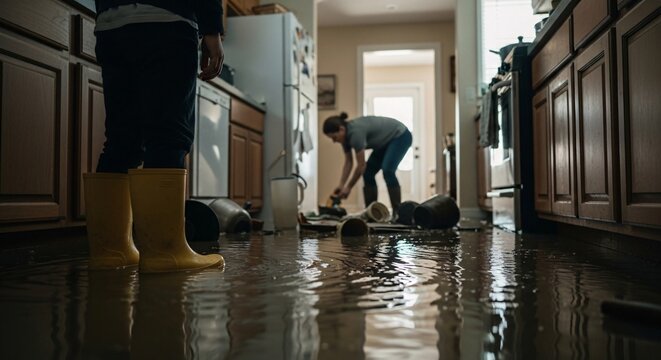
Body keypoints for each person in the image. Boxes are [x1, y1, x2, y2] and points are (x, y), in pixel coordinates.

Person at [83, 0, 225, 272]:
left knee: (121, 140)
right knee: (168, 136)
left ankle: (110, 251)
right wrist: (212, 30)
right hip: (167, 21)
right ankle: (165, 252)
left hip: (112, 25)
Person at [323, 112, 413, 217]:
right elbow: (348, 162)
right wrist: (341, 185)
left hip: (400, 136)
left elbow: (361, 166)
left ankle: (397, 213)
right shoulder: (345, 139)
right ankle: (371, 213)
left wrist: (349, 188)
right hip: (383, 144)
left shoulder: (355, 133)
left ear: (341, 129)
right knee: (368, 173)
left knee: (388, 170)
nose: (334, 141)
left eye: (334, 137)